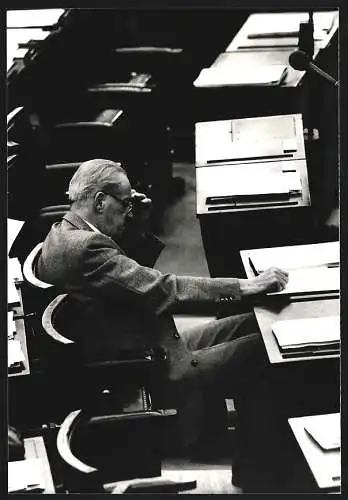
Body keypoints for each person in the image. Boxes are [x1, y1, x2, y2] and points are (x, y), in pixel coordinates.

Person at [37, 159, 299, 492]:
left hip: (148, 345)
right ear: (100, 201)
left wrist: (136, 224)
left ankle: (229, 442)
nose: (129, 210)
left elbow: (128, 280)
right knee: (269, 351)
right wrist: (242, 286)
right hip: (150, 366)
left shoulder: (64, 232)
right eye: (126, 203)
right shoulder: (86, 248)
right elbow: (163, 289)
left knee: (257, 324)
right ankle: (258, 474)